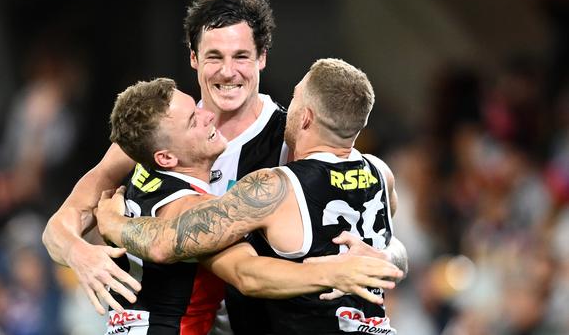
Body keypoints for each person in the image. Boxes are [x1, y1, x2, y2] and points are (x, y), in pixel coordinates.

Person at [41, 0, 407, 333]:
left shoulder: (294, 140)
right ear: (193, 57)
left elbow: (381, 235)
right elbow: (60, 224)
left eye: (241, 56)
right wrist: (79, 254)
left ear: (262, 58)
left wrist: (386, 257)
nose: (228, 71)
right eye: (214, 56)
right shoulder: (156, 137)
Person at [95, 58, 405, 335]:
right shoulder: (382, 172)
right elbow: (389, 247)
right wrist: (382, 262)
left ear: (306, 117)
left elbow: (177, 246)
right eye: (193, 117)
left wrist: (111, 224)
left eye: (294, 98)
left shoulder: (271, 187)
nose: (207, 116)